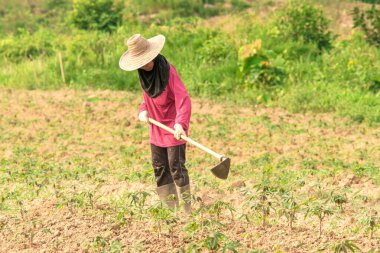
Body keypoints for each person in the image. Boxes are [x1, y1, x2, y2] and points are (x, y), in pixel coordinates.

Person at [119, 34, 192, 213]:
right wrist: (143, 109)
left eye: (146, 60)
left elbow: (183, 98)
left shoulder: (168, 71)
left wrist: (180, 123)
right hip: (157, 128)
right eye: (140, 62)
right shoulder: (144, 75)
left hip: (174, 128)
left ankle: (187, 210)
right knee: (159, 168)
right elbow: (147, 98)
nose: (145, 64)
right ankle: (170, 210)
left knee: (176, 167)